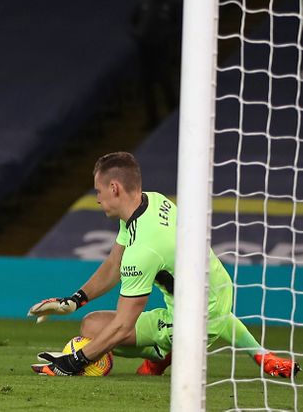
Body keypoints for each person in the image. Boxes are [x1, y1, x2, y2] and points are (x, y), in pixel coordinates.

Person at [27, 152, 300, 378]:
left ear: (114, 188)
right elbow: (113, 264)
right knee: (94, 321)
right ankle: (261, 354)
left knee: (93, 329)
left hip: (192, 320)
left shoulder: (144, 249)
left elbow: (123, 325)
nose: (97, 199)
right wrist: (73, 302)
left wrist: (74, 362)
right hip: (218, 288)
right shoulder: (152, 201)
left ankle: (162, 354)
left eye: (98, 191)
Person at [129, 0, 180, 129]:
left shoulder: (171, 2)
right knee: (147, 86)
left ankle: (175, 118)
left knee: (166, 83)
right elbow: (131, 21)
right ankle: (152, 120)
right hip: (145, 50)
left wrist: (165, 36)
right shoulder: (144, 1)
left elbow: (178, 24)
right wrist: (137, 33)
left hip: (162, 49)